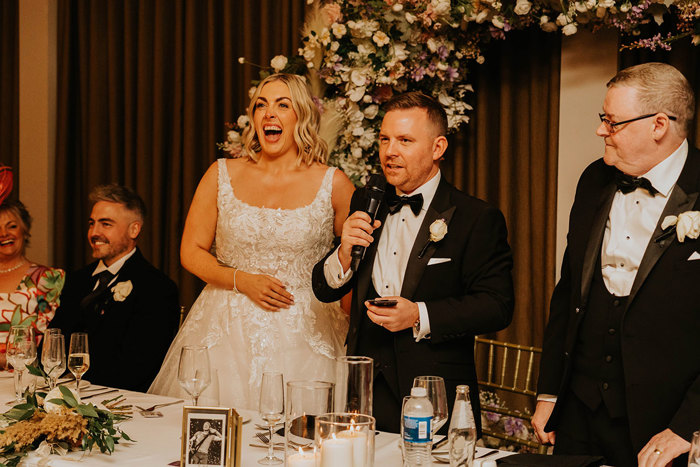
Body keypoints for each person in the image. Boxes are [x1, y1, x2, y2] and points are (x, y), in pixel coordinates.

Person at [312, 91, 514, 433]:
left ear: (438, 148)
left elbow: (496, 306)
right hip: (362, 392)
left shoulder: (476, 217)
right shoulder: (367, 199)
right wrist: (344, 251)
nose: (390, 152)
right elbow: (323, 287)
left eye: (405, 140)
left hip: (432, 394)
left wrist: (418, 315)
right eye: (385, 139)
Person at [149, 73, 354, 409]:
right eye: (262, 105)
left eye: (282, 105)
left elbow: (354, 265)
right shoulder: (221, 174)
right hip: (225, 332)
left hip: (306, 335)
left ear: (301, 115)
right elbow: (190, 252)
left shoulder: (334, 183)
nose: (269, 114)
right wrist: (240, 280)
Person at [532, 63, 700, 467]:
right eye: (602, 119)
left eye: (612, 122)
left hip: (664, 427)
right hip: (578, 413)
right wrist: (549, 392)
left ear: (659, 125)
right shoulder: (594, 179)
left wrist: (687, 426)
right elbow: (569, 289)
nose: (600, 131)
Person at [49, 184, 179, 392]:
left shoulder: (157, 287)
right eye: (92, 223)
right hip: (63, 394)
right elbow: (51, 344)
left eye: (106, 224)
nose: (94, 233)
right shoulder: (78, 280)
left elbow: (141, 365)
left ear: (134, 229)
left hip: (121, 402)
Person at [0, 199, 65, 367]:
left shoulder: (48, 278)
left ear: (25, 230)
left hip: (23, 379)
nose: (4, 233)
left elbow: (48, 343)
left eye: (12, 226)